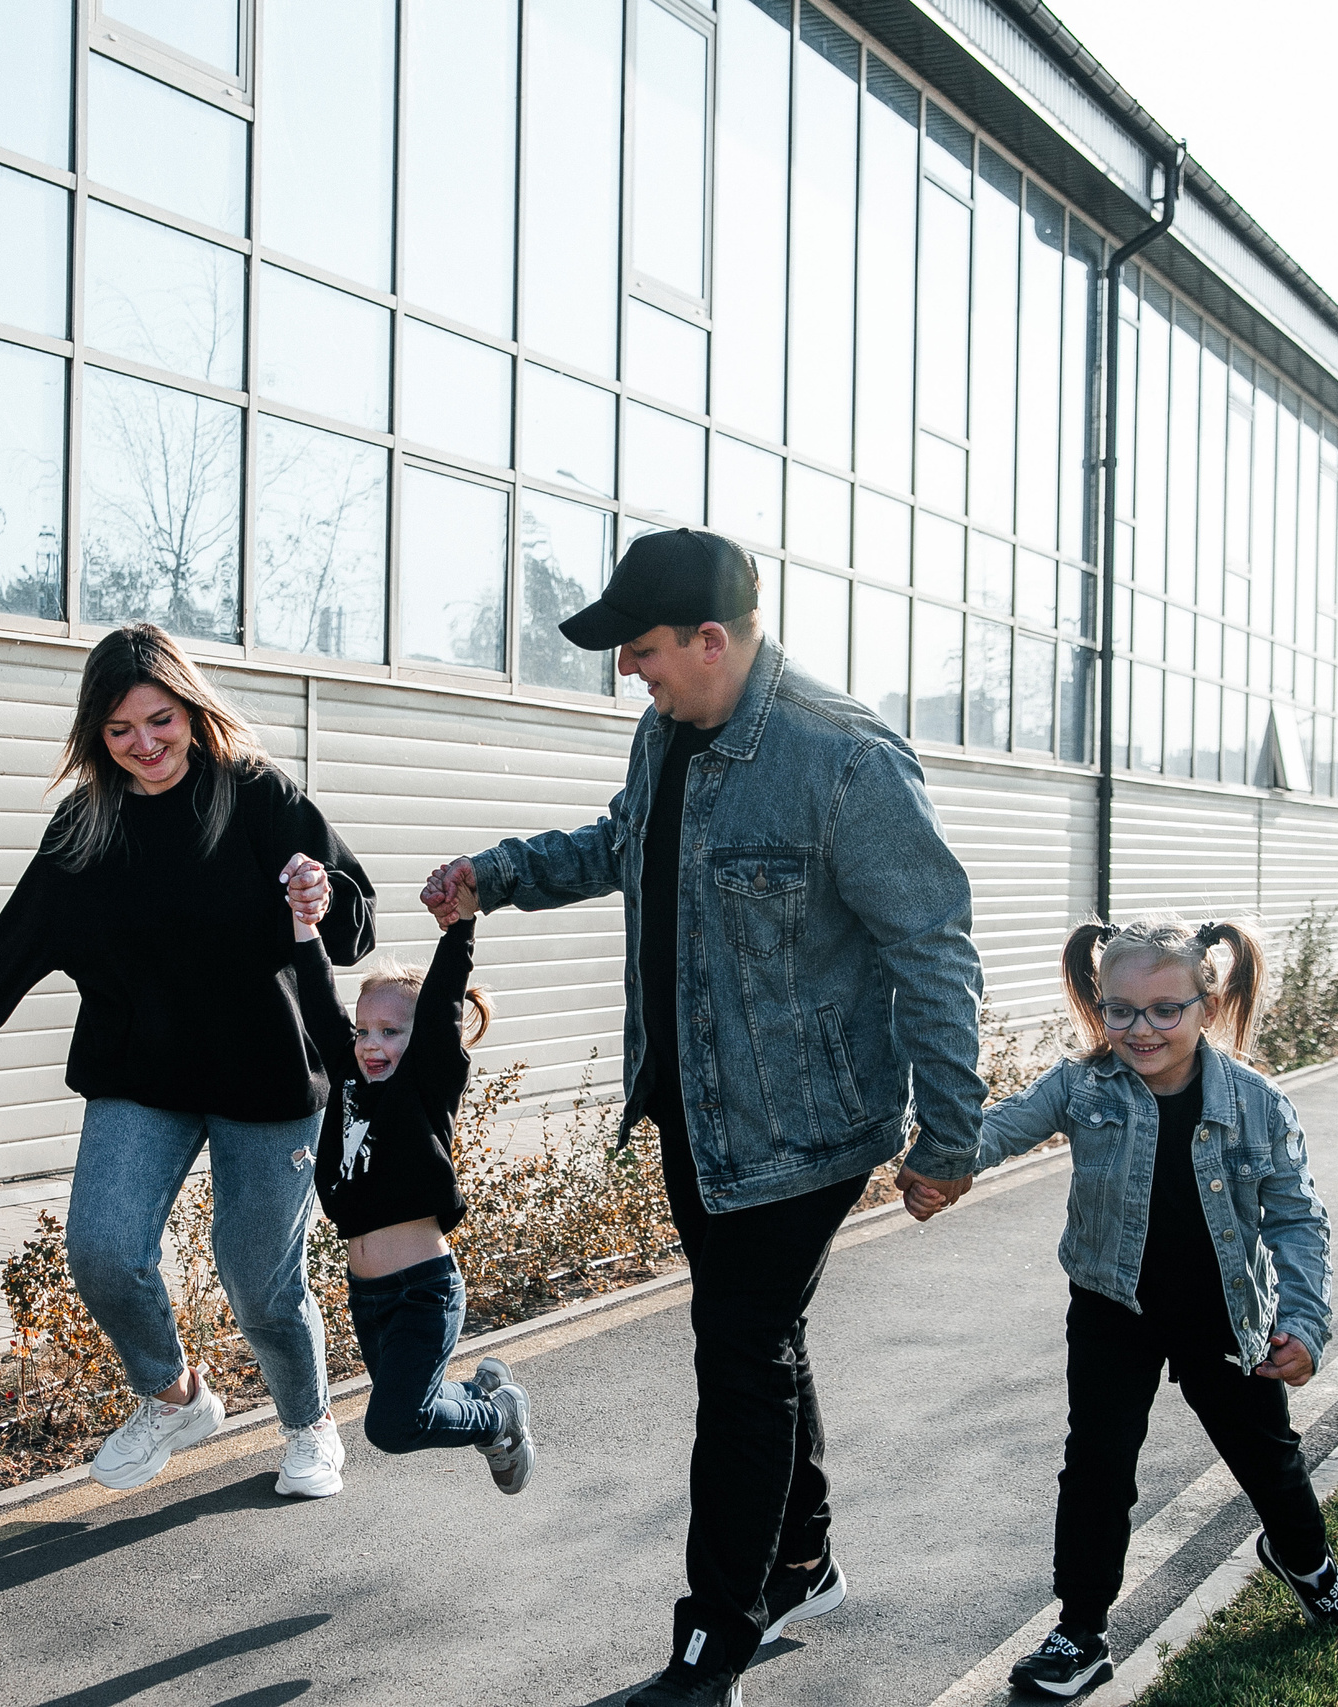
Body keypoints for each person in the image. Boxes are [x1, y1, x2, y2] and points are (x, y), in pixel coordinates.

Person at [420, 528, 986, 1706]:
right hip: (694, 1110)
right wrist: (500, 874)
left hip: (806, 1128)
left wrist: (950, 1135)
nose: (628, 669)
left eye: (640, 650)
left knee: (738, 1357)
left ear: (710, 639)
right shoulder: (668, 734)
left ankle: (711, 1643)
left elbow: (933, 952)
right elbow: (625, 843)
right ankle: (801, 1563)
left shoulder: (844, 760)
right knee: (760, 1341)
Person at [0, 624, 373, 1499]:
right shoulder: (87, 821)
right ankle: (176, 1397)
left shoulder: (255, 793)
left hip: (265, 1072)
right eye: (121, 728)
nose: (145, 743)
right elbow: (27, 927)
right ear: (97, 733)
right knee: (102, 1248)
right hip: (141, 1069)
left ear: (192, 710)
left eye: (160, 719)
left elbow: (351, 918)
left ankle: (309, 1422)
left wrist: (323, 894)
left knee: (260, 1284)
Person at [906, 916, 1338, 1697]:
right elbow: (1000, 1129)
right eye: (1120, 1009)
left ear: (1206, 1005)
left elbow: (1298, 1219)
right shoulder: (1082, 1085)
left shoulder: (1257, 1103)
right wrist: (942, 1166)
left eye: (1165, 1009)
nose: (1141, 1028)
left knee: (1268, 1458)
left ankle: (1305, 1559)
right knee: (1097, 1464)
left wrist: (1303, 1321)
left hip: (1225, 1315)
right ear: (1100, 1005)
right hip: (1110, 1308)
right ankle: (1080, 1630)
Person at [282, 853, 539, 1495]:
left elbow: (445, 992)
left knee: (395, 1426)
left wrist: (460, 925)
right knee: (411, 1405)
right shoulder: (349, 1075)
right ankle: (481, 1396)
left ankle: (497, 1417)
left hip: (423, 1292)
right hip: (368, 1297)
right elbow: (317, 997)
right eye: (365, 1031)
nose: (372, 1044)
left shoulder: (425, 1082)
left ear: (420, 1039)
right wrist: (304, 920)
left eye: (392, 1032)